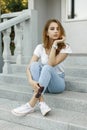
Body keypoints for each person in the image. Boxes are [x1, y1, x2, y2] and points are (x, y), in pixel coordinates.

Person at [11, 19, 72, 116]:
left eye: (58, 29)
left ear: (61, 32)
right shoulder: (40, 47)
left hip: (57, 83)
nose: (56, 31)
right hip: (44, 84)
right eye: (52, 29)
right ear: (47, 33)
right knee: (34, 65)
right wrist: (31, 81)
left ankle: (30, 105)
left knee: (47, 68)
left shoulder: (66, 47)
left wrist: (55, 44)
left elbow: (51, 63)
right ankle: (42, 102)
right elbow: (28, 68)